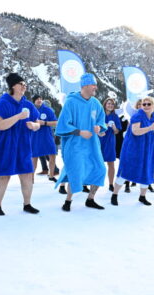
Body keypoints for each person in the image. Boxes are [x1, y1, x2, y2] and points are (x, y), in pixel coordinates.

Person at [0, 73, 41, 216]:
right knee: (4, 175)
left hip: (23, 144)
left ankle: (27, 204)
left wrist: (34, 126)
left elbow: (38, 123)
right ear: (13, 86)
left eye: (25, 84)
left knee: (27, 174)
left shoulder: (28, 104)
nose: (24, 86)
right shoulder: (3, 103)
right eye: (21, 83)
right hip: (4, 144)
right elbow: (0, 125)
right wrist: (18, 117)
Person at [55, 73, 107, 212]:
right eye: (93, 84)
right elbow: (63, 124)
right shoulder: (71, 102)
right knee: (76, 171)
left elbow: (101, 121)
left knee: (100, 169)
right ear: (84, 85)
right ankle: (68, 201)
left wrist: (99, 127)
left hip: (92, 145)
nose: (95, 87)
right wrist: (79, 132)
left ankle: (90, 199)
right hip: (75, 145)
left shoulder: (95, 103)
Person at [111, 96, 154, 206]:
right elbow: (135, 131)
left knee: (147, 173)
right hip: (133, 151)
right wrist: (149, 128)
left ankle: (142, 197)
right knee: (125, 172)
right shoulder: (137, 116)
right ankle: (114, 194)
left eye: (149, 104)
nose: (146, 106)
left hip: (148, 153)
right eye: (144, 104)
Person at [31, 95, 58, 182]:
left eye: (40, 99)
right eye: (37, 99)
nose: (39, 100)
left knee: (52, 155)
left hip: (47, 137)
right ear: (34, 101)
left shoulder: (47, 110)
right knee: (34, 158)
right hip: (34, 138)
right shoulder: (30, 110)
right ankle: (31, 178)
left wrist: (44, 123)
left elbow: (56, 122)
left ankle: (51, 175)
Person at [98, 97, 121, 191]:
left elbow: (117, 132)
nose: (110, 105)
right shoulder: (99, 115)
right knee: (95, 163)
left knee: (111, 164)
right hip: (98, 141)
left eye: (112, 104)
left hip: (110, 142)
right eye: (108, 104)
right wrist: (103, 127)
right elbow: (93, 126)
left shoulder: (115, 117)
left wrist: (114, 127)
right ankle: (88, 183)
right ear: (105, 105)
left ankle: (111, 184)